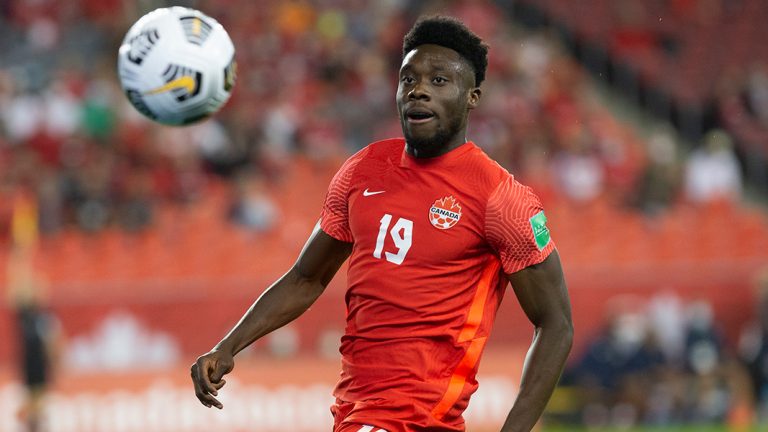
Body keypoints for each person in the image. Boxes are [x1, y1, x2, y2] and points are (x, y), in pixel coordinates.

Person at [191, 16, 573, 432]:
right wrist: (228, 347)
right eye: (408, 78)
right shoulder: (362, 170)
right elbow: (305, 278)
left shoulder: (500, 197)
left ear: (472, 97)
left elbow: (556, 325)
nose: (419, 89)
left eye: (439, 81)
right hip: (355, 414)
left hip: (411, 417)